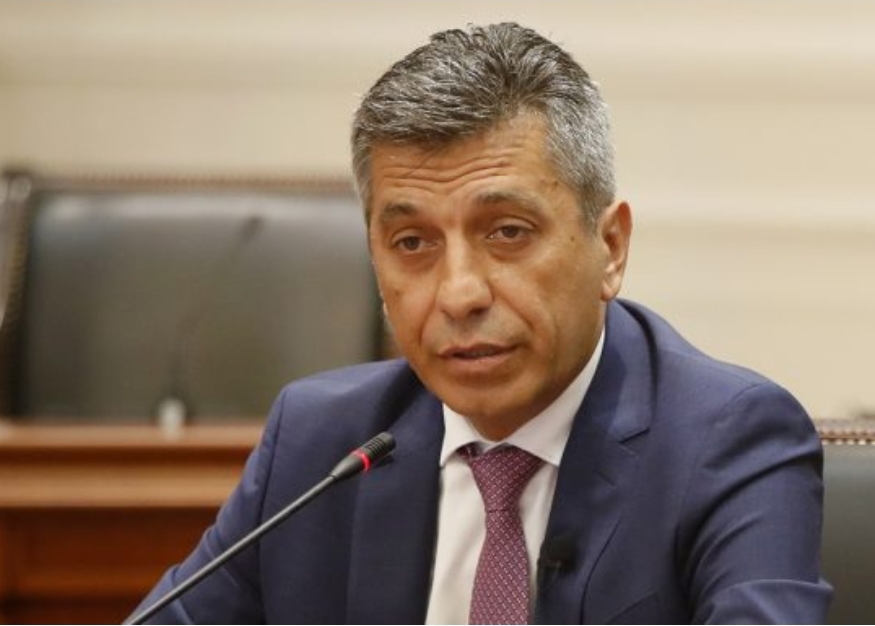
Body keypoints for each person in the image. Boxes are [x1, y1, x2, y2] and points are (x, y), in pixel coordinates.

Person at [130, 23, 832, 624]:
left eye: (507, 232)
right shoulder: (320, 445)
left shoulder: (728, 443)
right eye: (412, 243)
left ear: (611, 248)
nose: (459, 293)